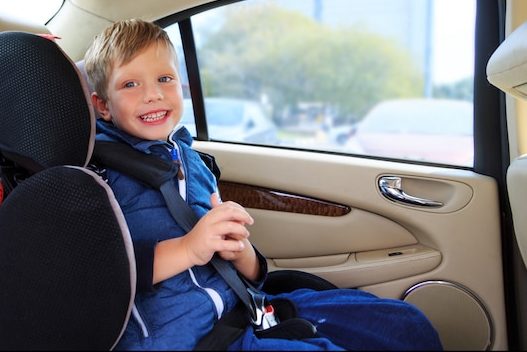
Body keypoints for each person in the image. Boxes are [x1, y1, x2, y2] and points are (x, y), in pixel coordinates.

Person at [84, 19, 443, 351]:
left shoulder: (192, 162)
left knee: (404, 325)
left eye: (165, 79)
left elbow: (250, 271)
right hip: (185, 338)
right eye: (131, 84)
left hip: (246, 309)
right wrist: (190, 249)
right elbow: (101, 275)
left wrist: (242, 254)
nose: (153, 94)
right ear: (102, 106)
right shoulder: (96, 176)